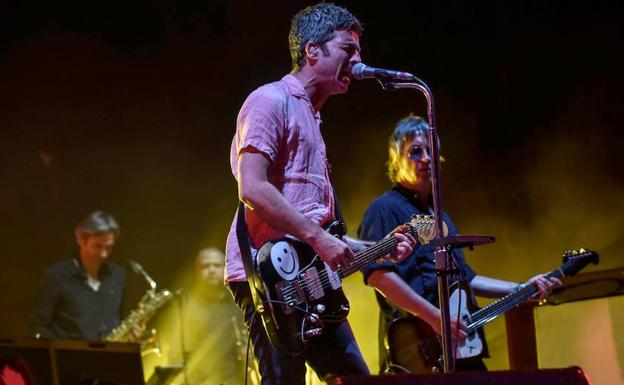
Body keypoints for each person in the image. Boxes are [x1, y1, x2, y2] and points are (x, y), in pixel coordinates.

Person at [224, 3, 416, 384]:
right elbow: (252, 186)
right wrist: (319, 239)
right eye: (348, 49)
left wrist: (377, 248)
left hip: (310, 281)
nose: (358, 61)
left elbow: (320, 228)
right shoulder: (270, 100)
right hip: (271, 277)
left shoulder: (312, 118)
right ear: (313, 50)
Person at [358, 115, 561, 373]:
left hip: (460, 345)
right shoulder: (383, 209)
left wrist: (523, 288)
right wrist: (435, 318)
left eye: (432, 151)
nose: (426, 158)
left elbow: (467, 279)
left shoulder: (440, 218)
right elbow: (379, 277)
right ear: (396, 159)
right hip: (417, 350)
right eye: (416, 151)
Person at [155, 247, 250, 385]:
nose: (211, 270)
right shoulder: (184, 307)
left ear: (225, 269)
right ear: (197, 272)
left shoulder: (238, 305)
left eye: (217, 265)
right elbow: (175, 355)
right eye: (206, 266)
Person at [30, 210, 125, 341]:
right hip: (70, 358)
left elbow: (120, 321)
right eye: (97, 246)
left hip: (110, 358)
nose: (104, 254)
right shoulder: (56, 276)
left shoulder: (117, 275)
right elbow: (37, 327)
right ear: (81, 240)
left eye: (109, 247)